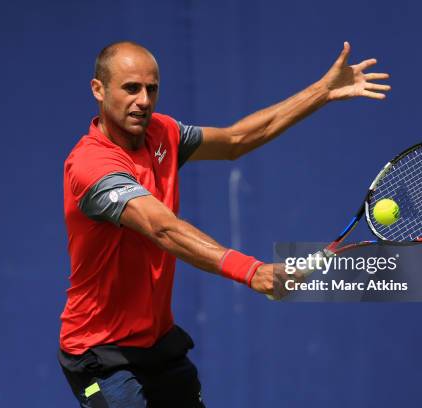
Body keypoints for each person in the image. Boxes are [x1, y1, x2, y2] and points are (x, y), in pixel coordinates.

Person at [58, 41, 390, 407]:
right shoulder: (92, 166)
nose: (143, 100)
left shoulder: (162, 133)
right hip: (102, 354)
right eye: (131, 88)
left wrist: (321, 92)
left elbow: (236, 139)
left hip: (158, 344)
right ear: (98, 90)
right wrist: (251, 270)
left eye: (151, 89)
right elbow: (161, 228)